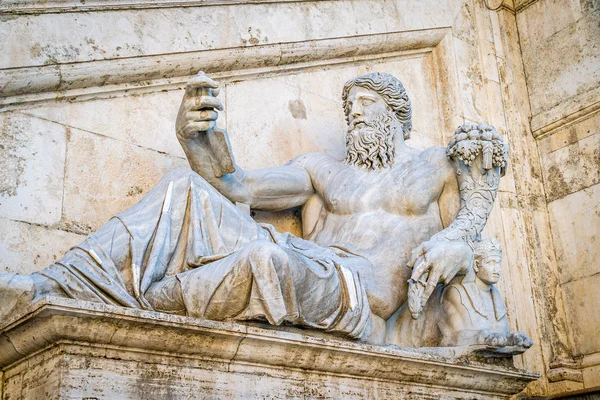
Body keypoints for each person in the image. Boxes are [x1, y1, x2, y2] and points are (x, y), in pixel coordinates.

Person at [0, 72, 498, 345]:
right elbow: (235, 188)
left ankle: (139, 301)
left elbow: (473, 221)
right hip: (309, 261)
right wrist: (199, 137)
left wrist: (457, 244)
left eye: (368, 103)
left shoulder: (435, 165)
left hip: (358, 296)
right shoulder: (321, 169)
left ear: (397, 112)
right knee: (183, 186)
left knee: (269, 262)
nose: (356, 114)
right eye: (351, 108)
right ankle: (51, 286)